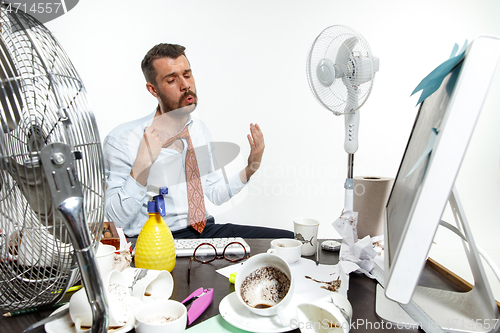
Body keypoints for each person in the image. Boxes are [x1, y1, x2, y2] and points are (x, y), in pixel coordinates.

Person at [103, 43, 293, 239]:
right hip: (157, 239)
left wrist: (250, 167)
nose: (185, 85)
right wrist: (142, 166)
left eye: (187, 75)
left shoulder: (198, 130)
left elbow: (213, 192)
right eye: (171, 80)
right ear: (153, 90)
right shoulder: (122, 140)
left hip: (204, 230)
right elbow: (115, 221)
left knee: (289, 240)